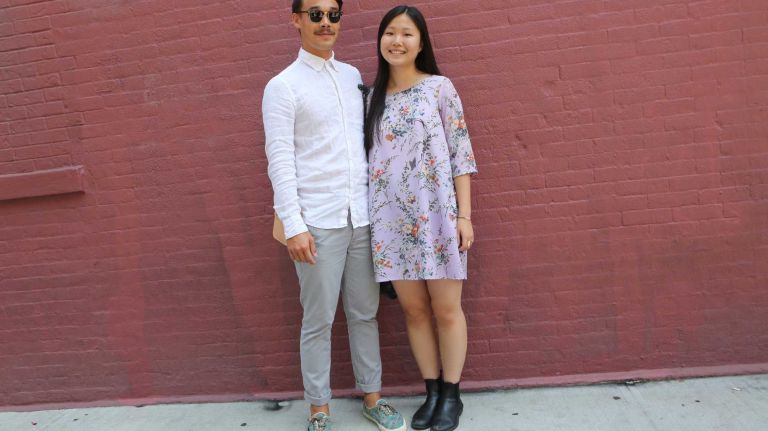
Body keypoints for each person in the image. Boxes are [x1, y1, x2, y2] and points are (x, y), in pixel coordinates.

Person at [262, 1, 405, 431]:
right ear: (297, 20)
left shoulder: (352, 78)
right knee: (318, 320)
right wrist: (294, 225)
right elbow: (280, 159)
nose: (326, 23)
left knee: (364, 313)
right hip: (316, 222)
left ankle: (372, 397)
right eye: (316, 14)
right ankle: (319, 409)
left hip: (359, 217)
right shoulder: (282, 86)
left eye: (333, 14)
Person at [364, 5, 477, 431]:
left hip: (438, 219)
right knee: (413, 311)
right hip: (390, 224)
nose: (397, 41)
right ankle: (430, 392)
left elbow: (461, 155)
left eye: (407, 34)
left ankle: (452, 395)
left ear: (421, 43)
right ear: (381, 40)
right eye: (390, 33)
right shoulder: (369, 99)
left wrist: (464, 216)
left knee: (447, 309)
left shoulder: (440, 89)